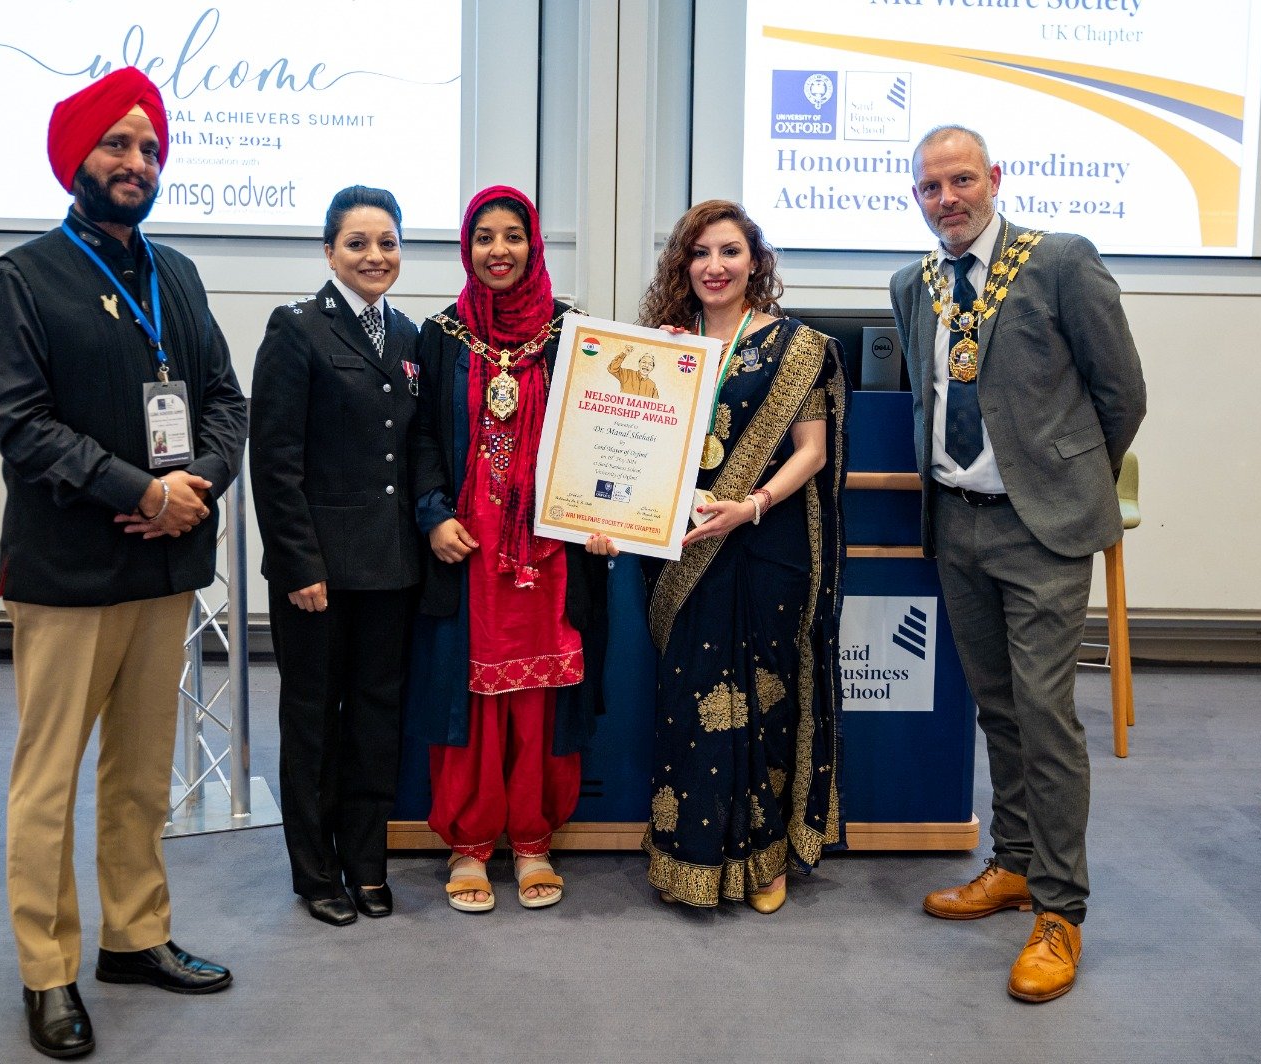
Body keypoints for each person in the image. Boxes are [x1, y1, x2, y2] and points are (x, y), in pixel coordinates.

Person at [0, 68, 246, 1059]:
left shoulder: (177, 274)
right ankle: (46, 970)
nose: (137, 162)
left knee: (140, 771)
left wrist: (197, 481)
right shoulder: (20, 278)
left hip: (164, 566)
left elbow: (225, 400)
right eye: (117, 144)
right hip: (67, 571)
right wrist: (141, 490)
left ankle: (134, 935)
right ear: (77, 158)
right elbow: (24, 427)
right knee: (47, 781)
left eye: (150, 147)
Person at [890, 125, 1146, 1003]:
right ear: (916, 197)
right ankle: (1015, 864)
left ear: (995, 177)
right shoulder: (913, 284)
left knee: (1045, 714)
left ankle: (1061, 910)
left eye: (962, 180)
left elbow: (1122, 393)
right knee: (997, 708)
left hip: (1042, 530)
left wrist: (1066, 482)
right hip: (956, 522)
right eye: (931, 187)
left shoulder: (1060, 261)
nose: (948, 199)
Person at [628, 199, 846, 912]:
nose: (714, 267)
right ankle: (688, 854)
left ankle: (766, 859)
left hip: (766, 543)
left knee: (765, 701)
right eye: (699, 253)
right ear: (682, 265)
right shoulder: (665, 348)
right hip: (685, 550)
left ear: (756, 261)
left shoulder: (797, 348)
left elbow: (813, 452)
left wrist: (750, 505)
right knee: (689, 703)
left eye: (729, 251)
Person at [407, 185, 610, 913]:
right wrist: (433, 515)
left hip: (551, 550)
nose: (499, 250)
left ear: (534, 244)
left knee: (540, 700)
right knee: (468, 694)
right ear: (467, 247)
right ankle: (469, 844)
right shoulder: (439, 335)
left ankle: (531, 840)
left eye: (513, 236)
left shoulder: (571, 332)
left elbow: (607, 428)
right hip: (467, 549)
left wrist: (610, 512)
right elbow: (421, 437)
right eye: (484, 237)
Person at [250, 185, 420, 928]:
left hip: (392, 567)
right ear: (329, 252)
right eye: (357, 243)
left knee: (377, 719)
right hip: (318, 571)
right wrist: (298, 565)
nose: (374, 256)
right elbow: (274, 459)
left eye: (387, 242)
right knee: (314, 720)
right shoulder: (296, 329)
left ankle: (367, 863)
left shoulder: (408, 335)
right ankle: (316, 872)